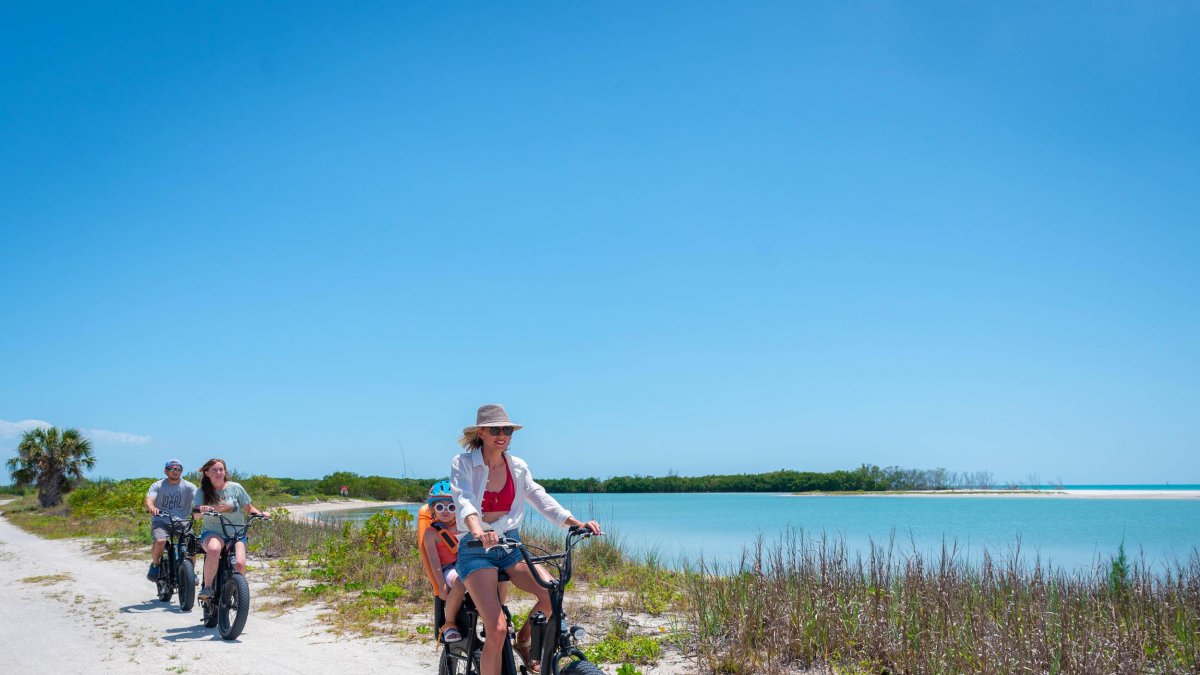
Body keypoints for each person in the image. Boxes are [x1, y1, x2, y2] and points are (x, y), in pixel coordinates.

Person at [450, 404, 601, 675]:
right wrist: (477, 532)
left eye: (507, 430)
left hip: (509, 544)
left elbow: (540, 498)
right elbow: (465, 502)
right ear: (481, 433)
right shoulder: (464, 464)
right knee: (496, 630)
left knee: (550, 593)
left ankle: (523, 640)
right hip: (475, 549)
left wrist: (575, 522)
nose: (502, 435)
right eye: (495, 429)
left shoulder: (517, 466)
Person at [191, 458, 271, 601]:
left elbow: (248, 508)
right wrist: (201, 510)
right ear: (207, 472)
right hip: (212, 532)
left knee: (239, 564)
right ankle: (208, 587)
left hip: (236, 533)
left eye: (221, 469)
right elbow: (196, 516)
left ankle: (236, 591)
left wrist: (261, 514)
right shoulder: (202, 491)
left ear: (225, 471)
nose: (218, 472)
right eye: (214, 469)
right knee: (214, 549)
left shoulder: (236, 487)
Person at [419, 480, 466, 643]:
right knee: (460, 583)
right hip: (448, 569)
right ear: (433, 510)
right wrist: (441, 584)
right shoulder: (431, 534)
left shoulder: (462, 527)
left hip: (465, 565)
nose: (445, 511)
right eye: (440, 507)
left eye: (451, 507)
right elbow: (434, 561)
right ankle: (449, 623)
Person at [144, 459, 198, 582]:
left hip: (182, 520)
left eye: (178, 469)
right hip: (161, 520)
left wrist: (201, 508)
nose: (175, 471)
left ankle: (191, 573)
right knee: (161, 541)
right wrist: (151, 507)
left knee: (191, 543)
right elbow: (149, 499)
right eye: (172, 469)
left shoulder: (189, 486)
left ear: (182, 471)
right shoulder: (158, 485)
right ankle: (155, 564)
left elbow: (199, 499)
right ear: (166, 471)